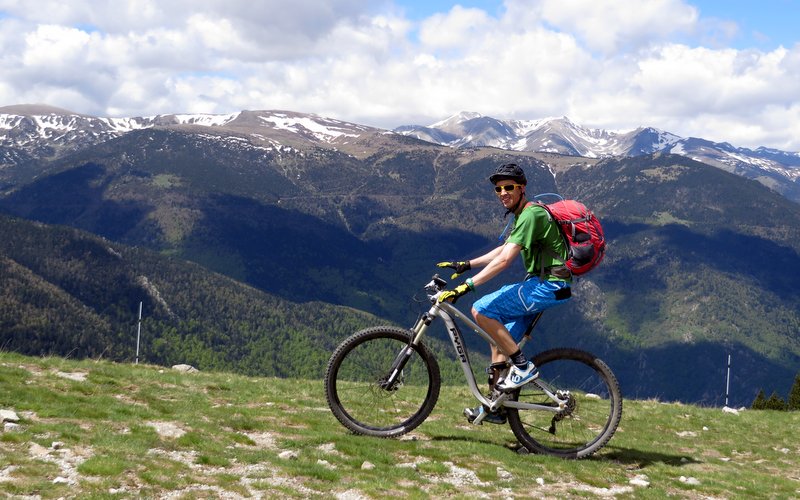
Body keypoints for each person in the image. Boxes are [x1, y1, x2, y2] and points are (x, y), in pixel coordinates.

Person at [437, 163, 573, 424]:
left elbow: (504, 261)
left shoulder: (531, 214)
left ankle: (523, 367)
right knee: (498, 341)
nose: (502, 192)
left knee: (482, 309)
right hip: (542, 283)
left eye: (508, 187)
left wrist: (466, 287)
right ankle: (496, 409)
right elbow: (502, 249)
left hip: (549, 285)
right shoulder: (523, 216)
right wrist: (467, 265)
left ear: (522, 189)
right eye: (498, 189)